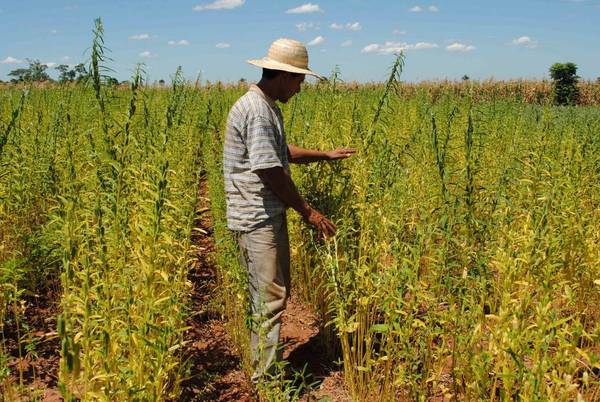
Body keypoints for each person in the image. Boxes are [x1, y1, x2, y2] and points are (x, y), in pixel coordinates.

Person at [223, 38, 355, 382]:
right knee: (268, 300)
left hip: (260, 217)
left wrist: (324, 155)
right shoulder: (257, 110)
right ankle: (266, 382)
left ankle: (265, 371)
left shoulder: (264, 106)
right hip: (257, 220)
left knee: (268, 297)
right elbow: (270, 170)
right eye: (299, 80)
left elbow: (282, 152)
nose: (300, 87)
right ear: (282, 75)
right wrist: (308, 211)